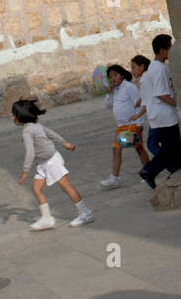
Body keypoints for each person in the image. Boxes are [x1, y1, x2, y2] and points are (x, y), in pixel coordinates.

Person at [11, 98, 93, 229]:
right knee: (36, 189)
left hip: (51, 162)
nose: (12, 118)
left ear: (20, 116)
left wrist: (25, 172)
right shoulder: (34, 126)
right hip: (45, 162)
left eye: (14, 114)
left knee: (66, 186)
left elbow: (30, 153)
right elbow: (51, 134)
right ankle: (47, 218)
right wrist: (64, 143)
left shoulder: (27, 131)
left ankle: (85, 213)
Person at [139, 34, 181, 189]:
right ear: (163, 50)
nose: (172, 50)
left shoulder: (155, 67)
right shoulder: (159, 69)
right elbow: (161, 93)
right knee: (171, 149)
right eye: (170, 47)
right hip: (165, 115)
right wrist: (178, 104)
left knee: (175, 149)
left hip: (160, 115)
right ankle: (149, 171)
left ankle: (174, 174)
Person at [99, 64, 151, 188]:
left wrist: (139, 124)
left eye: (115, 75)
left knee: (138, 148)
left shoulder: (129, 87)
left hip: (132, 125)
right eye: (110, 77)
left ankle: (149, 171)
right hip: (121, 127)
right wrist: (109, 93)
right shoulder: (115, 90)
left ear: (122, 75)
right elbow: (107, 106)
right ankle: (115, 178)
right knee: (116, 148)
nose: (113, 79)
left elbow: (139, 104)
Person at [129, 54, 160, 158]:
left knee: (151, 144)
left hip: (156, 116)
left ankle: (169, 163)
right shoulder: (148, 77)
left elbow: (146, 103)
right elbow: (146, 96)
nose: (132, 71)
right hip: (157, 116)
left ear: (142, 67)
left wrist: (137, 116)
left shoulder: (144, 80)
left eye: (133, 67)